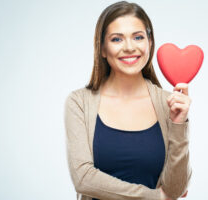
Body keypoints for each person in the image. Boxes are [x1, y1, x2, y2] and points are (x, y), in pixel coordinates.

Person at [64, 1, 192, 200]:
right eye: (117, 39)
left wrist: (178, 124)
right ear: (103, 49)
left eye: (138, 37)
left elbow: (176, 190)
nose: (130, 47)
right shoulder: (80, 103)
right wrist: (153, 197)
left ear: (149, 43)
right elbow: (83, 178)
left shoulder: (170, 103)